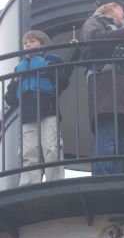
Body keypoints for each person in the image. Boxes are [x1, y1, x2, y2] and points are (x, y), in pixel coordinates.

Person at [80, 0, 124, 175]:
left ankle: (115, 178)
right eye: (122, 10)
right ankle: (104, 178)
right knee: (108, 139)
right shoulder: (93, 23)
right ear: (110, 7)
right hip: (106, 91)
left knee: (119, 146)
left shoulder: (119, 33)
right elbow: (93, 40)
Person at [4, 30, 69, 185]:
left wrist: (45, 68)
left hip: (48, 110)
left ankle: (55, 181)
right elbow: (10, 99)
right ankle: (29, 184)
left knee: (51, 148)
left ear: (42, 43)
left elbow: (63, 82)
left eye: (31, 42)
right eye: (25, 43)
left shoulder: (53, 62)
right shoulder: (20, 68)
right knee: (28, 152)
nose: (27, 45)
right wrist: (15, 81)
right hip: (27, 115)